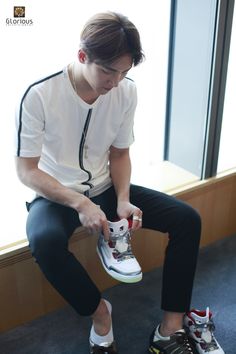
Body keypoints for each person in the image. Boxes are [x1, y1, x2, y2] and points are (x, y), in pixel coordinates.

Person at [15, 11, 224, 354]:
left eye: (124, 72)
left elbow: (119, 154)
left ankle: (170, 329)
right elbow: (26, 171)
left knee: (187, 219)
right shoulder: (39, 95)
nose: (114, 82)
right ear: (83, 56)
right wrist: (80, 203)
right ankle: (101, 315)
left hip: (106, 188)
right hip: (57, 196)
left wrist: (123, 199)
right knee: (44, 241)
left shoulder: (126, 91)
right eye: (108, 70)